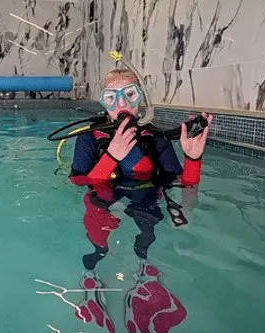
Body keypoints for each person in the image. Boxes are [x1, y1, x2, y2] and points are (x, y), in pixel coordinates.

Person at [67, 68, 212, 332]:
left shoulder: (154, 138)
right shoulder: (89, 137)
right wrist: (111, 156)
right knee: (97, 220)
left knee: (149, 224)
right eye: (112, 98)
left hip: (145, 194)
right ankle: (93, 272)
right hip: (104, 194)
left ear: (140, 101)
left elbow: (185, 186)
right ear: (103, 104)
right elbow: (78, 181)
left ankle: (145, 273)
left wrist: (193, 158)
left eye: (129, 95)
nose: (121, 104)